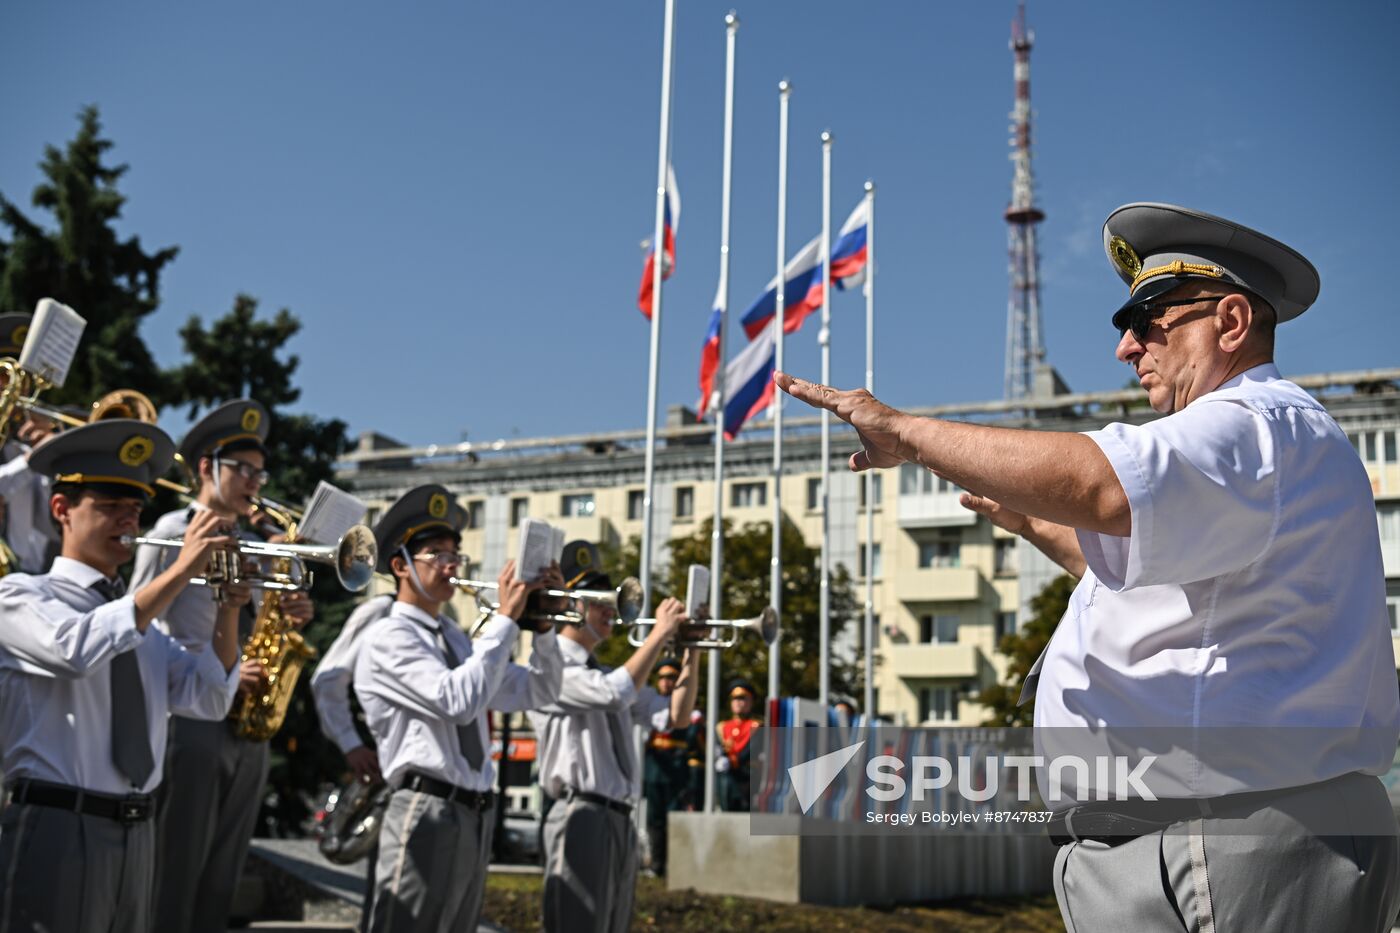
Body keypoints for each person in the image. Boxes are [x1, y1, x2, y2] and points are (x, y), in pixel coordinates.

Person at [776, 202, 1400, 931]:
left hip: (1221, 843)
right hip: (1185, 842)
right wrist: (1035, 522)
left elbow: (1100, 483)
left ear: (1230, 323)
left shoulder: (1254, 421)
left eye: (1148, 319)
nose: (1128, 348)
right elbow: (1165, 590)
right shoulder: (1245, 452)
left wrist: (905, 432)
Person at [0, 420, 243, 932]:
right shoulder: (21, 595)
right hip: (58, 823)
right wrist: (178, 571)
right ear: (61, 509)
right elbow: (76, 649)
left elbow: (208, 697)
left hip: (138, 828)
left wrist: (227, 610)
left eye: (135, 507)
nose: (127, 518)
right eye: (110, 504)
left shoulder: (142, 628)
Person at [132, 399, 316, 932]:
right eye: (244, 470)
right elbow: (139, 616)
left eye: (260, 472)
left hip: (245, 720)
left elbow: (261, 622)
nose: (255, 482)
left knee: (223, 872)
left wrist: (292, 611)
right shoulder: (171, 528)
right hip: (189, 716)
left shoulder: (256, 542)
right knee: (178, 865)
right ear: (207, 467)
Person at [353, 485, 564, 932]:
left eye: (455, 555)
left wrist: (544, 629)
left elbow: (538, 692)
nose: (451, 566)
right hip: (424, 805)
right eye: (436, 555)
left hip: (472, 810)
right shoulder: (389, 637)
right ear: (400, 566)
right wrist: (506, 621)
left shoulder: (454, 638)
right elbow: (458, 702)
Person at [529, 540, 700, 933]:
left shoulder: (606, 671)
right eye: (599, 601)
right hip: (579, 813)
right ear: (571, 605)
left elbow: (676, 715)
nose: (611, 610)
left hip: (618, 816)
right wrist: (660, 634)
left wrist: (691, 649)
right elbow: (614, 694)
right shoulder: (550, 665)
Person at [0, 311, 61, 574]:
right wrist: (30, 461)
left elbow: (50, 529)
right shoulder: (24, 458)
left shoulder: (20, 451)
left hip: (21, 578)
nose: (16, 392)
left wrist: (49, 460)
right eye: (8, 380)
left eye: (22, 383)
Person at [641, 657, 692, 876]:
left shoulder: (687, 707)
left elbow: (692, 740)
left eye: (671, 677)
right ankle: (657, 864)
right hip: (654, 771)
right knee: (654, 821)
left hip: (675, 772)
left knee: (673, 820)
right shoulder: (648, 705)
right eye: (662, 677)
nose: (666, 682)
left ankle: (673, 865)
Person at [715, 678, 761, 812]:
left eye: (742, 698)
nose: (738, 702)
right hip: (728, 776)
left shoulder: (756, 726)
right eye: (734, 699)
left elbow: (751, 749)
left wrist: (733, 760)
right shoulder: (722, 727)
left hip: (747, 776)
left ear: (750, 702)